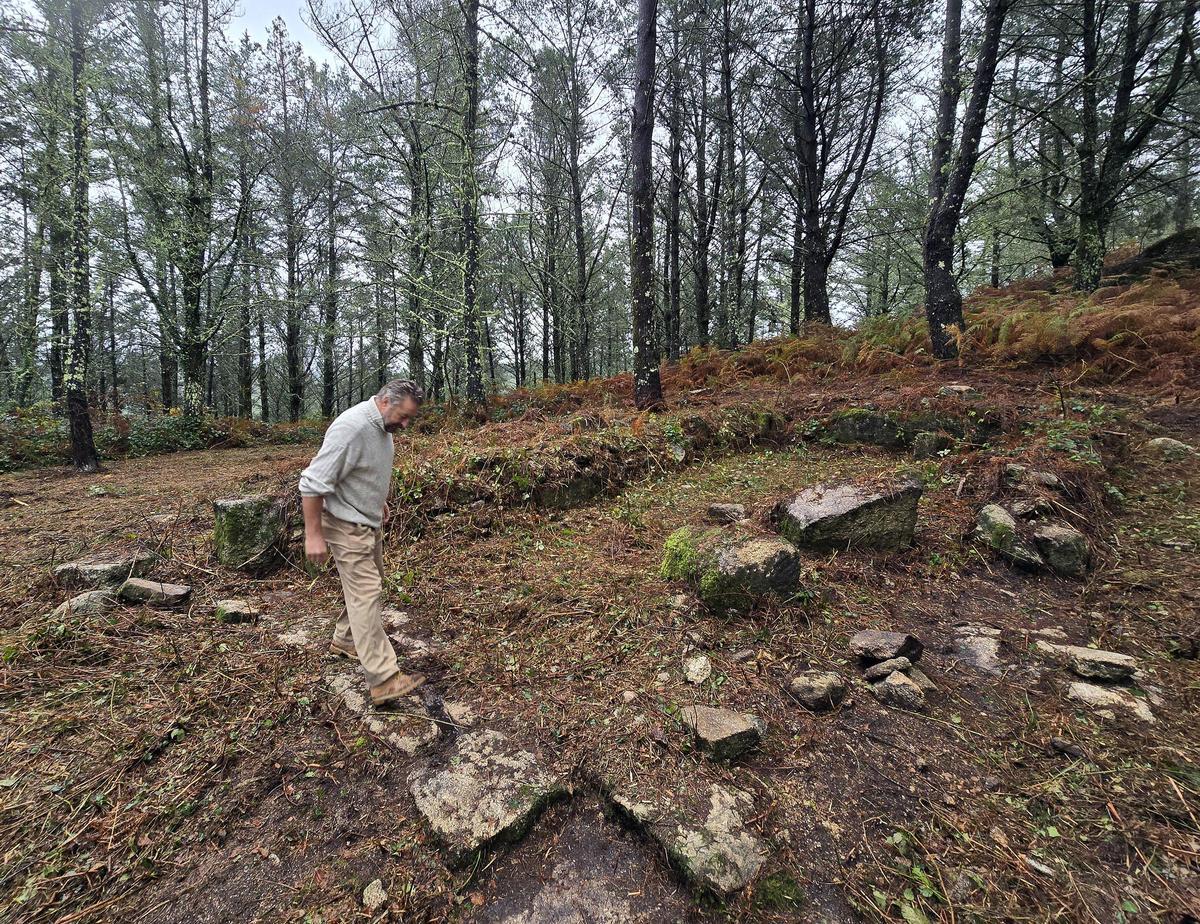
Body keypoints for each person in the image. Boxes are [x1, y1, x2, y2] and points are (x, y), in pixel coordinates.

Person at [299, 379, 426, 708]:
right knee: (366, 591)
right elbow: (312, 482)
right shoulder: (351, 428)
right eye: (403, 416)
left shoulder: (383, 428)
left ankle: (346, 639)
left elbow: (365, 470)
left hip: (366, 519)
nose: (406, 424)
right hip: (342, 523)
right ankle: (384, 680)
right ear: (385, 401)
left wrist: (377, 500)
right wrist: (313, 534)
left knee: (368, 587)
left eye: (410, 418)